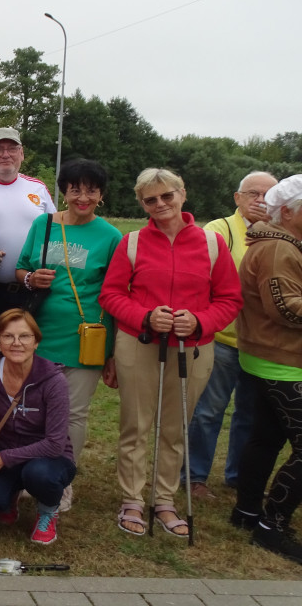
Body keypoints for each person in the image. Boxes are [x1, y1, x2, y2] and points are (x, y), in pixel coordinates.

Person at [100, 168, 242, 537]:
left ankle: (164, 499)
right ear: (141, 203)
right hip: (139, 343)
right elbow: (111, 294)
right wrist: (145, 316)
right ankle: (132, 498)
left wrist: (200, 321)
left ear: (182, 194)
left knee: (177, 427)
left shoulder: (212, 244)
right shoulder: (131, 242)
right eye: (151, 199)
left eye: (167, 196)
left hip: (193, 348)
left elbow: (230, 299)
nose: (160, 204)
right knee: (136, 424)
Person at [14, 159, 122, 512]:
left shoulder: (109, 236)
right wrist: (31, 279)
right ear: (64, 190)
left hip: (85, 338)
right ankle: (30, 473)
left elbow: (116, 293)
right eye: (75, 188)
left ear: (101, 195)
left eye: (91, 189)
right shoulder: (43, 224)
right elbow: (21, 268)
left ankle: (62, 481)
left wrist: (111, 352)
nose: (82, 196)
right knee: (33, 410)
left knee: (73, 414)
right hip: (37, 335)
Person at [186, 171, 277, 499]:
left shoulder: (283, 233)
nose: (261, 200)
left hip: (263, 343)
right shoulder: (219, 230)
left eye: (269, 194)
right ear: (237, 198)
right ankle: (194, 477)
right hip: (222, 339)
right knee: (209, 411)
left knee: (250, 415)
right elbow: (203, 275)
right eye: (253, 193)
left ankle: (240, 474)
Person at [230, 175, 302, 564]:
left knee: (266, 439)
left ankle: (246, 512)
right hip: (282, 360)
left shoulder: (281, 244)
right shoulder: (279, 250)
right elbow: (285, 307)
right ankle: (272, 526)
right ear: (288, 212)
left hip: (270, 356)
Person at [0, 309, 75, 545]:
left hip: (51, 458)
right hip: (8, 448)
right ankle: (10, 497)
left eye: (25, 336)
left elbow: (55, 443)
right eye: (8, 336)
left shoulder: (54, 381)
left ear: (36, 342)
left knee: (38, 474)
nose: (17, 343)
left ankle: (48, 511)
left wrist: (3, 458)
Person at [0, 127, 56, 318]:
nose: (5, 155)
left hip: (30, 292)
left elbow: (55, 233)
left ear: (21, 154)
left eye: (12, 148)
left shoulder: (38, 188)